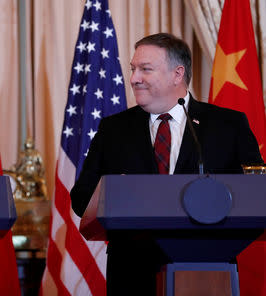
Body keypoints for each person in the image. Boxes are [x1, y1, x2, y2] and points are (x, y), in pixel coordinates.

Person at [70, 33, 263, 295]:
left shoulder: (228, 126)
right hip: (132, 274)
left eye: (145, 69)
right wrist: (121, 195)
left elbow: (255, 195)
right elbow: (81, 197)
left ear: (177, 74)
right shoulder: (113, 129)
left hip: (208, 272)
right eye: (133, 69)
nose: (134, 78)